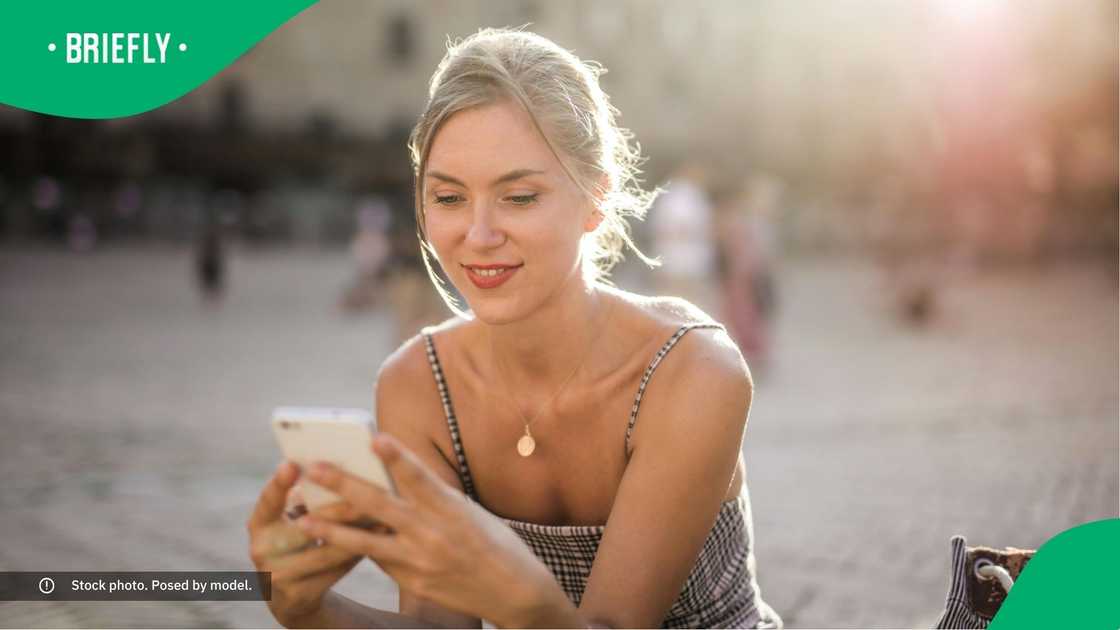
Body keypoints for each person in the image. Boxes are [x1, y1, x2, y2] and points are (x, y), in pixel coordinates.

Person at [248, 28, 781, 629]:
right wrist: (306, 609)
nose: (478, 236)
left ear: (596, 198)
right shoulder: (418, 385)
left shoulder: (693, 373)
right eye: (449, 198)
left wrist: (518, 595)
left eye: (519, 197)